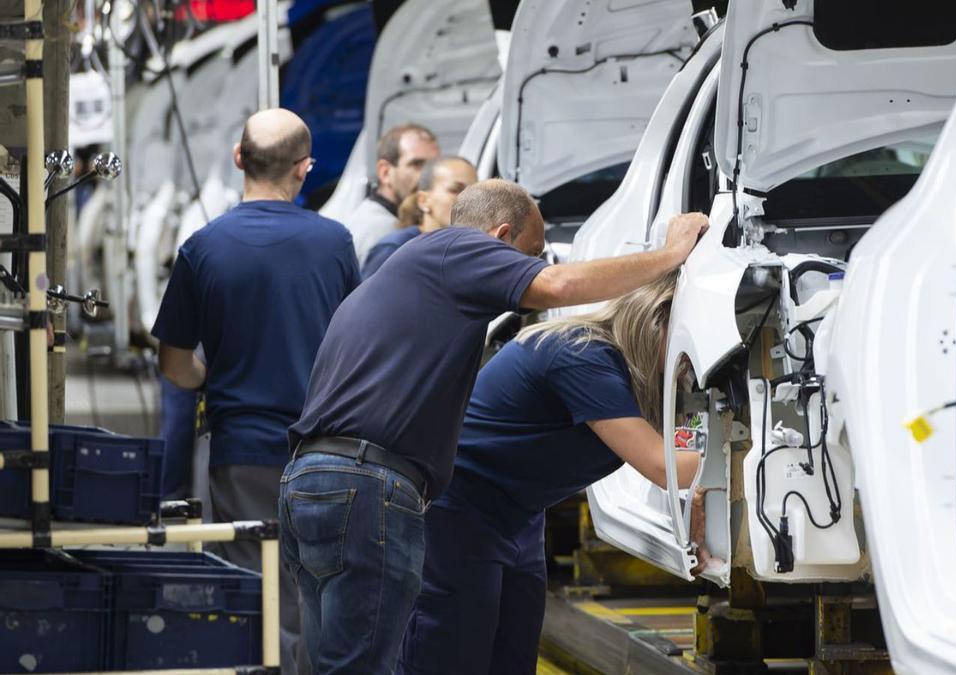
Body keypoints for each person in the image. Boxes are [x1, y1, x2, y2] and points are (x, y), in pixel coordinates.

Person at [280, 178, 707, 674]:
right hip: (376, 486)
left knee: (342, 660)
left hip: (328, 480)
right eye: (530, 255)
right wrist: (671, 254)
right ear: (500, 237)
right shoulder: (454, 249)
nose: (530, 271)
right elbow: (559, 287)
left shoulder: (426, 281)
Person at [398, 272, 697, 674]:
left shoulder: (627, 381)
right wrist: (743, 460)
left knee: (512, 658)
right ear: (657, 322)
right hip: (458, 510)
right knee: (450, 654)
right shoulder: (584, 356)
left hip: (519, 515)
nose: (688, 369)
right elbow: (663, 466)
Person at [153, 108, 360, 675]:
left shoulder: (202, 248)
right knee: (322, 594)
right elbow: (356, 344)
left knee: (256, 593)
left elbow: (174, 365)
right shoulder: (335, 242)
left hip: (241, 452)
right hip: (327, 451)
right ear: (305, 168)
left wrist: (213, 379)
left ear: (239, 157)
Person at [360, 155, 477, 278]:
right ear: (423, 200)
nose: (468, 198)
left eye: (474, 191)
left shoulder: (475, 250)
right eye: (455, 190)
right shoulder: (394, 249)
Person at [347, 123, 439, 265]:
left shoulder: (388, 225)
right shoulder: (381, 233)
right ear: (385, 172)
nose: (429, 175)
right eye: (417, 164)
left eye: (434, 165)